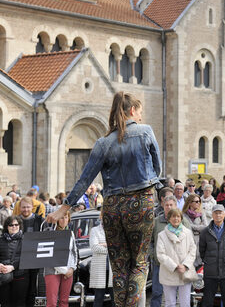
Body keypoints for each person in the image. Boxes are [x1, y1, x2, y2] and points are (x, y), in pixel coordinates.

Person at [46, 91, 162, 307]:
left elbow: (84, 179)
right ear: (132, 110)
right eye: (140, 112)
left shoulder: (102, 142)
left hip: (113, 206)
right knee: (138, 264)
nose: (141, 117)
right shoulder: (146, 132)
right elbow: (157, 169)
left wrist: (64, 208)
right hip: (140, 203)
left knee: (118, 266)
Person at [199, 204, 225, 306]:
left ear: (224, 214)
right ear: (212, 215)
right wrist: (209, 261)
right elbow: (202, 250)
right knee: (208, 301)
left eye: (220, 213)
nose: (218, 215)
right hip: (210, 272)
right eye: (216, 213)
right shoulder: (205, 232)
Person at [156, 208, 197, 307]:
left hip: (185, 272)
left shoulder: (187, 232)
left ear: (181, 218)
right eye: (173, 216)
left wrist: (185, 265)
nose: (176, 219)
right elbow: (160, 254)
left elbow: (193, 250)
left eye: (178, 216)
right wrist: (174, 266)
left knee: (185, 303)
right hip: (169, 272)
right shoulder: (161, 235)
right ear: (169, 218)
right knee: (170, 303)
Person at [43, 210, 77, 307]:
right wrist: (64, 270)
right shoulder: (49, 232)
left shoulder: (70, 233)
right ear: (57, 219)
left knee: (64, 302)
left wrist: (72, 268)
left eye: (66, 217)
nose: (64, 220)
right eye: (61, 218)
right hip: (52, 271)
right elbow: (49, 255)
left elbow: (74, 253)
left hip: (68, 271)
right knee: (52, 303)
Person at [0, 216, 27, 307]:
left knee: (19, 303)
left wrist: (12, 267)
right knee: (4, 303)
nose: (14, 226)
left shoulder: (25, 240)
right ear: (7, 226)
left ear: (20, 226)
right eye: (11, 225)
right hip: (3, 276)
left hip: (20, 276)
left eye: (16, 224)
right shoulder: (0, 240)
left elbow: (26, 257)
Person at [150, 195, 178, 307]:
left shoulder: (182, 221)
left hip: (175, 264)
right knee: (157, 292)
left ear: (175, 206)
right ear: (163, 206)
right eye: (166, 205)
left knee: (172, 294)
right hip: (159, 264)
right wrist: (154, 255)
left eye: (171, 205)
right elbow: (149, 242)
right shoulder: (156, 222)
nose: (169, 207)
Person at [90, 214, 113, 307]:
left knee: (115, 300)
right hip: (100, 270)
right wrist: (110, 247)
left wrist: (103, 244)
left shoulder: (115, 231)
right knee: (98, 298)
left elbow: (118, 247)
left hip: (113, 270)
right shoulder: (94, 230)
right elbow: (94, 247)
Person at [182, 193, 208, 267]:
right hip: (187, 241)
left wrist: (191, 227)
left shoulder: (202, 213)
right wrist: (198, 227)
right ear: (190, 203)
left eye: (199, 201)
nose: (198, 203)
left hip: (200, 241)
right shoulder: (183, 214)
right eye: (196, 201)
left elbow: (205, 227)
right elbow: (184, 228)